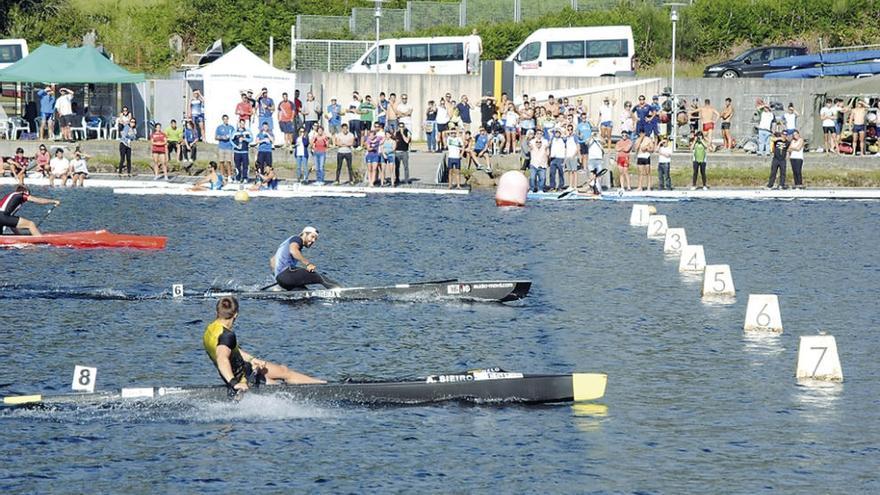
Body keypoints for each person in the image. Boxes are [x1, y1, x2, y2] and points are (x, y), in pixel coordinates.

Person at [204, 296, 324, 397]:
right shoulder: (227, 335)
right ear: (236, 314)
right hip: (244, 378)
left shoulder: (211, 329)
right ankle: (324, 389)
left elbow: (230, 350)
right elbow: (222, 359)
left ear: (217, 312)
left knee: (284, 370)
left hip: (245, 368)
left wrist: (252, 359)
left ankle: (323, 384)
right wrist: (234, 383)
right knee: (279, 389)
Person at [269, 226, 340, 290]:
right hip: (287, 274)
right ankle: (340, 290)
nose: (313, 241)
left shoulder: (285, 244)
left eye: (315, 239)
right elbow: (293, 251)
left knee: (303, 293)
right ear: (304, 234)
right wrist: (308, 264)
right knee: (319, 277)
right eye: (312, 237)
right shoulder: (297, 239)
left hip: (281, 279)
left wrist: (279, 279)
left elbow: (272, 261)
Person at [215, 114, 236, 180]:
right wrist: (222, 137)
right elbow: (216, 137)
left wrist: (230, 137)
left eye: (227, 119)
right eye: (224, 119)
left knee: (229, 162)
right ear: (223, 120)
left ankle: (229, 175)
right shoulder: (219, 127)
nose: (226, 120)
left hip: (229, 147)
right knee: (221, 162)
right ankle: (222, 175)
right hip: (221, 147)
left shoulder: (231, 128)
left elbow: (234, 136)